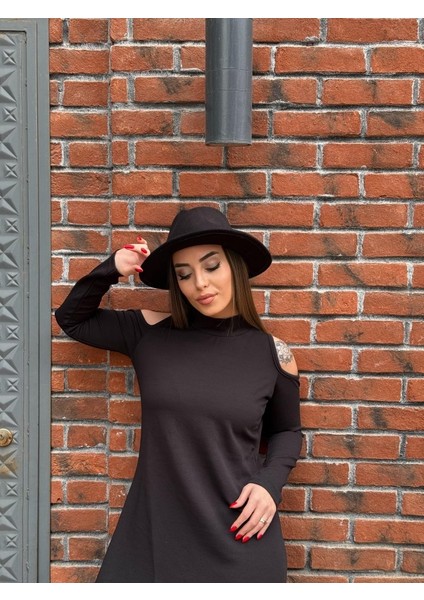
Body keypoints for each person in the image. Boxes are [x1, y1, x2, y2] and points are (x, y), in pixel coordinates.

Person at [55, 206, 302, 583]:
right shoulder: (149, 333)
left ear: (235, 267)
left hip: (240, 535)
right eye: (184, 274)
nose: (200, 283)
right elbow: (72, 319)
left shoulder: (273, 353)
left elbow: (287, 431)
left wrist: (270, 485)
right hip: (156, 538)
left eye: (211, 266)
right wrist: (112, 268)